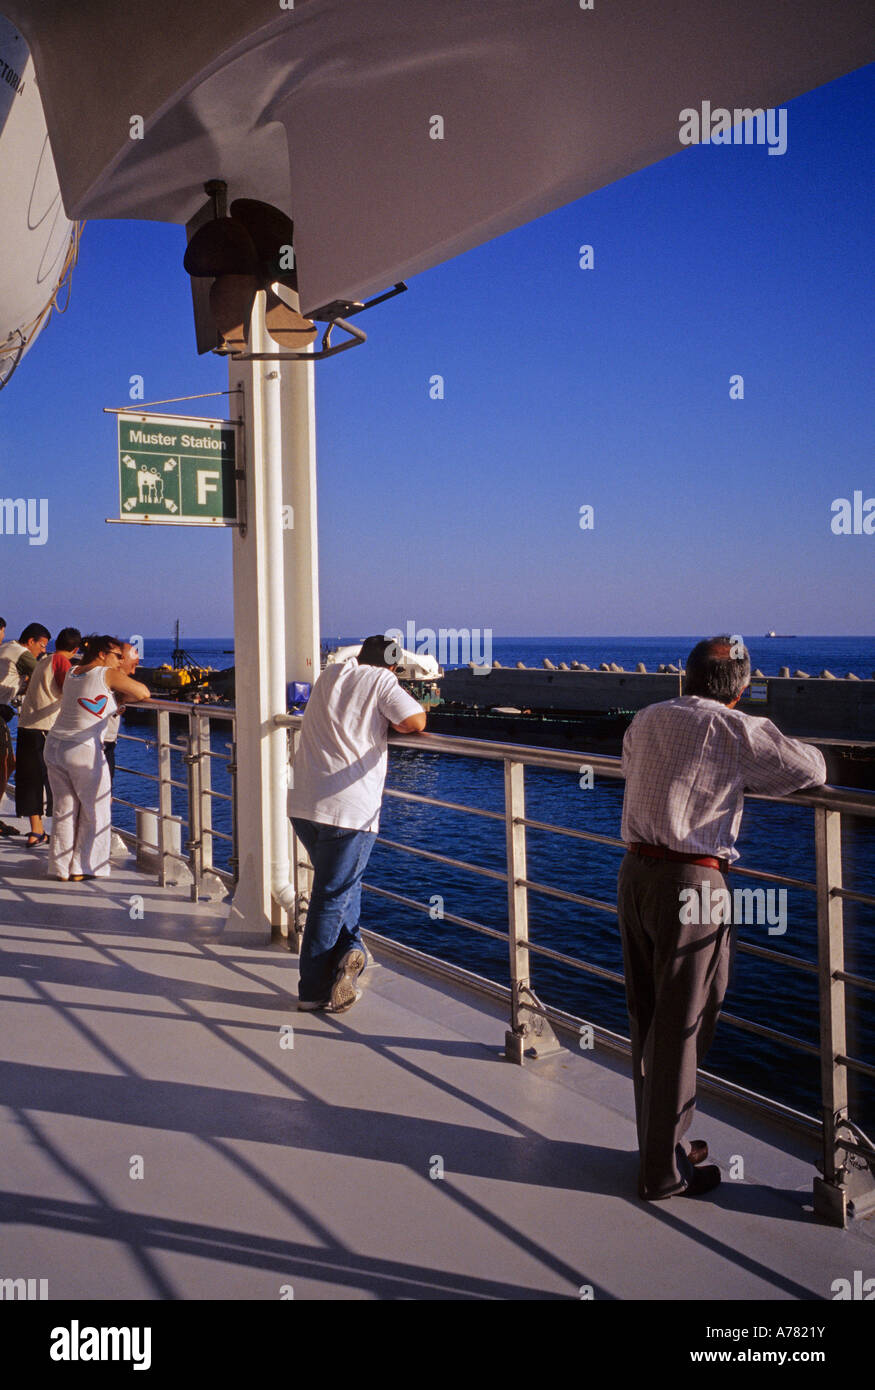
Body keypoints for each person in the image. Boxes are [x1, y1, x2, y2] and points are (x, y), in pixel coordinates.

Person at [616, 635, 826, 1201]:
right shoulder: (736, 729)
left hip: (635, 873)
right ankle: (662, 1172)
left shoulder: (647, 717)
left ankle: (661, 1144)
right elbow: (808, 767)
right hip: (694, 882)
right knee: (688, 1019)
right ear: (740, 687)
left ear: (685, 677)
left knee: (648, 1014)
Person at [288, 634, 426, 1012]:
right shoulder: (382, 680)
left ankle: (352, 952)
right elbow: (414, 720)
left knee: (342, 887)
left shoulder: (330, 675)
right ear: (393, 667)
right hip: (347, 811)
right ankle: (312, 991)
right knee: (330, 898)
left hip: (303, 804)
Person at [45, 635, 150, 881]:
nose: (120, 661)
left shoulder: (74, 671)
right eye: (118, 656)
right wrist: (122, 693)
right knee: (96, 809)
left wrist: (114, 699)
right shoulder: (106, 673)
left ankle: (60, 868)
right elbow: (143, 691)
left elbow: (89, 699)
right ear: (103, 654)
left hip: (55, 746)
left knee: (64, 808)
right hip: (83, 749)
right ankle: (85, 866)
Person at [16, 627, 82, 846]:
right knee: (55, 781)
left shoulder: (44, 660)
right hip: (44, 728)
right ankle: (63, 833)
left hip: (26, 724)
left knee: (29, 779)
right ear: (76, 648)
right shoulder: (63, 663)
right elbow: (69, 691)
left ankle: (36, 831)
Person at [0, 621, 51, 837]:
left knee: (8, 764)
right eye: (41, 646)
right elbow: (44, 675)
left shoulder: (5, 648)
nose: (43, 651)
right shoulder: (21, 652)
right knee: (4, 765)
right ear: (30, 641)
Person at [102, 641, 142, 782]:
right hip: (102, 744)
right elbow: (143, 692)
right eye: (133, 665)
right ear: (121, 659)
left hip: (104, 742)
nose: (133, 672)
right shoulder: (108, 676)